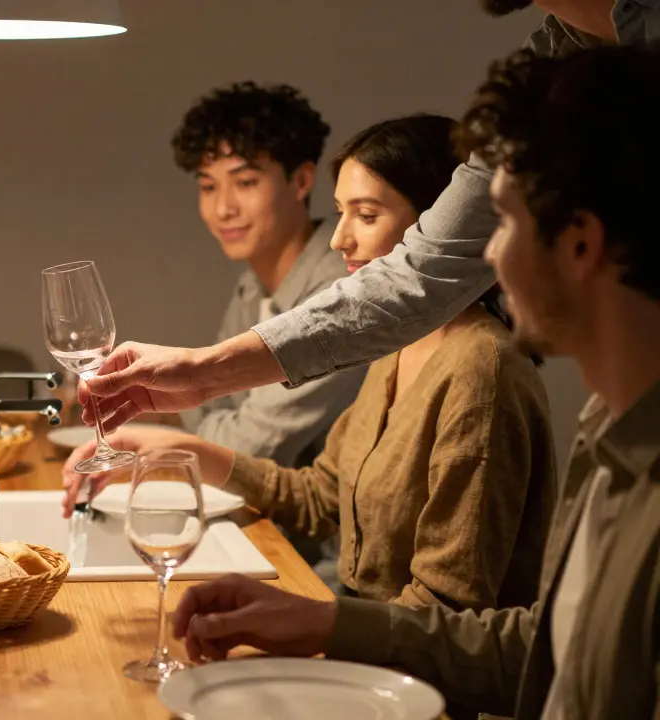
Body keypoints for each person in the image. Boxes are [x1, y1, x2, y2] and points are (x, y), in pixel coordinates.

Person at [170, 44, 660, 720]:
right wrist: (316, 621)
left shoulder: (488, 372)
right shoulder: (606, 436)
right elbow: (545, 650)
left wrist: (324, 626)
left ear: (580, 243)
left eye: (504, 222)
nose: (482, 254)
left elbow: (466, 618)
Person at [75, 0, 660, 435]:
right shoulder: (553, 64)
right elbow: (422, 270)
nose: (342, 241)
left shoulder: (484, 365)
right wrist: (203, 372)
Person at [67, 115, 556, 612]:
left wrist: (311, 621)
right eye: (341, 213)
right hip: (370, 642)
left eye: (365, 216)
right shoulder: (405, 345)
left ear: (436, 231)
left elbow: (446, 609)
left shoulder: (480, 370)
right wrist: (173, 445)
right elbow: (320, 495)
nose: (337, 239)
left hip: (413, 677)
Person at [167, 82, 363, 469]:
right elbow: (211, 398)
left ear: (301, 181)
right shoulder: (253, 283)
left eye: (246, 183)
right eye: (208, 186)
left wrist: (185, 412)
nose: (223, 208)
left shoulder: (341, 284)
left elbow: (245, 449)